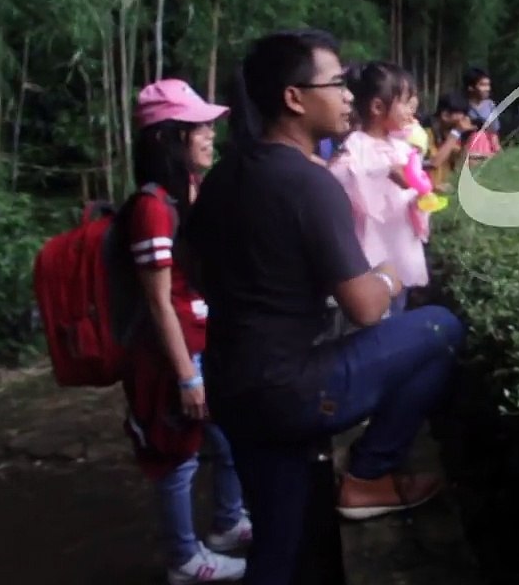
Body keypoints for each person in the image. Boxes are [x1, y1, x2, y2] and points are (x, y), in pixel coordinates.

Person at [185, 29, 464, 585]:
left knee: (280, 544)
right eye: (336, 84)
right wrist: (387, 273)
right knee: (440, 327)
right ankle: (369, 473)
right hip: (296, 386)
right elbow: (365, 307)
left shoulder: (224, 176)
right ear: (294, 97)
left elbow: (192, 270)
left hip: (233, 385)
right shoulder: (309, 183)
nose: (347, 96)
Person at [122, 79, 251, 584]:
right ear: (169, 138)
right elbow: (158, 301)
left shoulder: (188, 193)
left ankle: (227, 523)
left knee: (229, 437)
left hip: (203, 343)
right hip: (175, 358)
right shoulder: (152, 208)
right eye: (198, 127)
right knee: (177, 457)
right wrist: (186, 377)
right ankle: (182, 558)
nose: (209, 134)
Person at [328, 62, 429, 317]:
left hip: (401, 245)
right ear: (377, 107)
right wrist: (384, 171)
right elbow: (340, 177)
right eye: (405, 102)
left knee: (399, 305)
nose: (411, 110)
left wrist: (421, 197)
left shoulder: (403, 147)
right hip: (373, 251)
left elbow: (417, 187)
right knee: (380, 313)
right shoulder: (355, 146)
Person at [458, 66, 501, 151]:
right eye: (482, 85)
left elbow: (494, 134)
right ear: (470, 87)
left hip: (487, 149)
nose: (487, 89)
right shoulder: (461, 106)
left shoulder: (490, 105)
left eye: (488, 85)